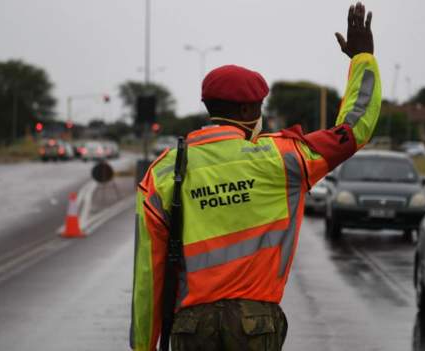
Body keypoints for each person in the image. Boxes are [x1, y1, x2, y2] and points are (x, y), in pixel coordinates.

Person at [130, 2, 381, 350]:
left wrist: (144, 345)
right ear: (249, 110)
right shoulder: (284, 159)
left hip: (190, 328)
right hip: (255, 325)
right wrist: (362, 59)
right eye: (260, 107)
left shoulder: (163, 171)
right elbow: (356, 127)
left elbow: (149, 273)